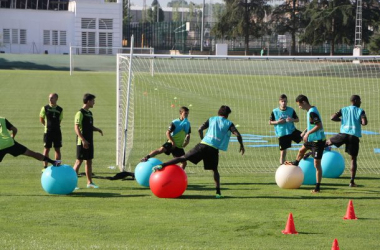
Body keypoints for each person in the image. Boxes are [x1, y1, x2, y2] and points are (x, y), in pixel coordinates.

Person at [153, 105, 245, 198]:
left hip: (203, 145)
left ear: (218, 112)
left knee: (183, 158)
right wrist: (241, 145)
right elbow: (237, 134)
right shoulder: (229, 123)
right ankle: (218, 193)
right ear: (227, 114)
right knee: (214, 170)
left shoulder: (212, 119)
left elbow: (200, 129)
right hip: (213, 149)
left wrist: (202, 139)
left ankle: (162, 165)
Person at [286, 95, 326, 193]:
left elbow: (319, 126)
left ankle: (317, 187)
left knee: (317, 164)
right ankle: (296, 162)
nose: (299, 107)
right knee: (301, 150)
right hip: (311, 140)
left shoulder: (312, 112)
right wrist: (305, 131)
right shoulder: (310, 110)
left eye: (299, 105)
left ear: (304, 102)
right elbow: (311, 124)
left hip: (318, 141)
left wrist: (307, 133)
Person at [326, 95, 368, 187]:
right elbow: (364, 123)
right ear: (355, 101)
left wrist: (341, 119)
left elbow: (332, 117)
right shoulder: (360, 111)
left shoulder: (344, 109)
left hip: (343, 134)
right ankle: (352, 182)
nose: (360, 102)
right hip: (353, 136)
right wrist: (361, 121)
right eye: (360, 100)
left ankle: (311, 154)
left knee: (327, 142)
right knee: (353, 159)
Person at [73, 93, 103, 189]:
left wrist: (97, 129)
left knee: (89, 161)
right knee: (79, 162)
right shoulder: (80, 113)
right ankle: (72, 183)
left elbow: (89, 127)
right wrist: (83, 140)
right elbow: (76, 127)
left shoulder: (89, 113)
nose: (94, 102)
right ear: (88, 101)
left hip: (89, 141)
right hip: (82, 142)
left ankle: (89, 182)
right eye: (93, 101)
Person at [269, 94, 302, 165]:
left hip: (292, 131)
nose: (283, 103)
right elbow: (270, 122)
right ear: (279, 102)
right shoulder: (275, 111)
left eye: (285, 101)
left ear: (287, 102)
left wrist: (291, 119)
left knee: (305, 137)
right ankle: (282, 168)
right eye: (282, 101)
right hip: (282, 134)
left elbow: (297, 119)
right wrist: (278, 122)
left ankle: (308, 153)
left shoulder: (291, 110)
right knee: (283, 153)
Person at [40, 93, 63, 171]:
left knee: (57, 149)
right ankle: (45, 167)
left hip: (57, 132)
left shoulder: (60, 109)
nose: (50, 99)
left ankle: (57, 166)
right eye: (49, 97)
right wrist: (46, 126)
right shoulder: (45, 108)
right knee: (46, 149)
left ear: (56, 99)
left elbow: (59, 120)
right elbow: (41, 119)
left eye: (52, 98)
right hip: (48, 132)